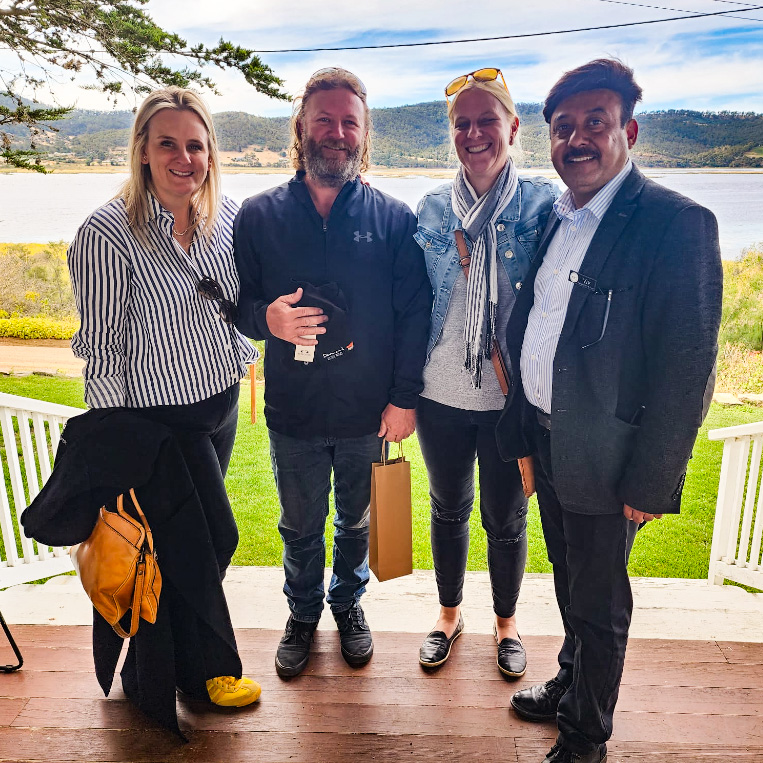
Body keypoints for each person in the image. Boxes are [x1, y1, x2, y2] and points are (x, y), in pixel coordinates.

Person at [496, 60, 722, 763]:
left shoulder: (675, 224)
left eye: (595, 122)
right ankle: (571, 682)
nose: (577, 139)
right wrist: (523, 429)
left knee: (600, 602)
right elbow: (539, 325)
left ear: (629, 131)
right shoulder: (558, 216)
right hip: (548, 438)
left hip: (608, 454)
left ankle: (586, 734)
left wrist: (651, 480)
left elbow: (687, 367)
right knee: (569, 579)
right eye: (563, 128)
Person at [66, 86, 261, 711]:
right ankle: (206, 672)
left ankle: (161, 667)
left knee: (180, 549)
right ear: (143, 150)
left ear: (211, 152)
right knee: (215, 539)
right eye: (168, 144)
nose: (185, 158)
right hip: (157, 421)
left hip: (219, 402)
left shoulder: (225, 216)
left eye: (196, 145)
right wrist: (119, 449)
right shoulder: (107, 232)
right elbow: (102, 347)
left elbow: (236, 303)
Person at [234, 67, 432, 678]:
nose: (337, 133)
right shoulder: (258, 215)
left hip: (366, 412)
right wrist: (266, 317)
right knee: (299, 526)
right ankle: (301, 614)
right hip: (292, 412)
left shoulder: (394, 218)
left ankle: (347, 604)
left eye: (350, 123)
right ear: (301, 127)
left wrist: (404, 399)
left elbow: (414, 313)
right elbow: (240, 305)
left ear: (364, 134)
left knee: (357, 522)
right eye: (325, 120)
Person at [414, 68, 557, 676]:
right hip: (439, 396)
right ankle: (449, 615)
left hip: (507, 399)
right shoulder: (430, 207)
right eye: (462, 124)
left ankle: (506, 623)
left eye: (486, 121)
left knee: (506, 518)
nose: (474, 134)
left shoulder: (545, 205)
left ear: (513, 128)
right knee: (447, 508)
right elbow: (411, 304)